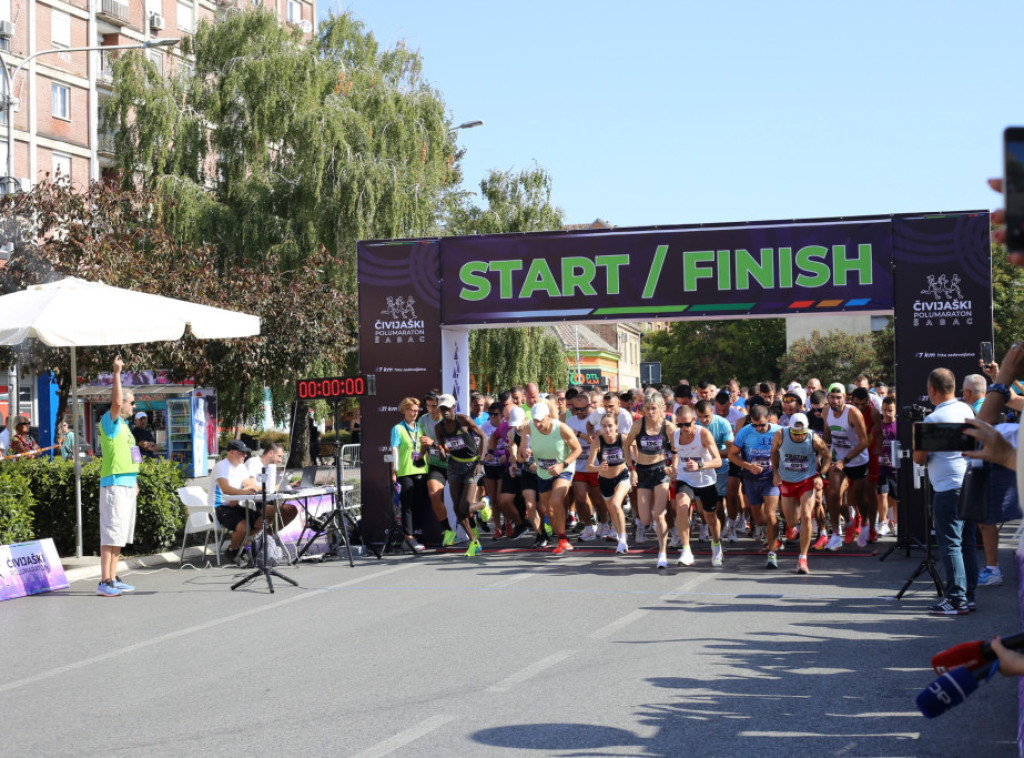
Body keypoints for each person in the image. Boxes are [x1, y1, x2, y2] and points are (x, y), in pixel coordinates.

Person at [912, 368, 977, 616]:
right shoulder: (965, 410)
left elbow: (919, 458)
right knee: (966, 543)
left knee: (950, 544)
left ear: (932, 390)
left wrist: (918, 434)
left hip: (949, 489)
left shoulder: (933, 420)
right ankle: (968, 596)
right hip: (969, 484)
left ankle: (956, 599)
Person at [96, 356, 141, 597]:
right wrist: (116, 373)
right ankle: (104, 581)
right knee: (111, 531)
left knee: (120, 533)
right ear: (122, 403)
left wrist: (134, 481)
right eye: (131, 403)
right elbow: (114, 402)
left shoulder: (125, 426)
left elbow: (132, 457)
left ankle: (113, 577)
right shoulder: (110, 421)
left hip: (126, 484)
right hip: (113, 483)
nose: (133, 407)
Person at [522, 399, 583, 557]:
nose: (538, 424)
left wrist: (562, 465)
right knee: (548, 509)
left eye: (541, 420)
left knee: (556, 501)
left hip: (564, 467)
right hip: (543, 471)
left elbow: (577, 449)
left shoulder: (561, 428)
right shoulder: (529, 426)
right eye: (535, 420)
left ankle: (562, 539)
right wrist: (525, 451)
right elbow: (522, 447)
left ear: (548, 417)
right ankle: (562, 537)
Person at [771, 412, 830, 574]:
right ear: (790, 429)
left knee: (806, 515)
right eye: (795, 434)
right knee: (791, 521)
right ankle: (792, 528)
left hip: (806, 480)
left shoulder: (814, 439)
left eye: (802, 433)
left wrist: (821, 475)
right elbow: (774, 453)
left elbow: (828, 455)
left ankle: (803, 558)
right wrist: (775, 473)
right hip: (787, 481)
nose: (799, 436)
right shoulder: (780, 434)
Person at [433, 394, 490, 557]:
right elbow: (443, 448)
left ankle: (484, 503)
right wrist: (442, 451)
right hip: (454, 466)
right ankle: (474, 542)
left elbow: (483, 436)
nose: (444, 411)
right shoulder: (439, 428)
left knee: (464, 507)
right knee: (457, 509)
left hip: (472, 464)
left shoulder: (463, 420)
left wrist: (481, 461)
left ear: (454, 407)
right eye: (441, 408)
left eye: (447, 408)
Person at [624, 391, 676, 568]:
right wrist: (632, 468)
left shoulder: (668, 427)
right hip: (643, 471)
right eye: (647, 408)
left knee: (659, 515)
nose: (651, 412)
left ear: (662, 409)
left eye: (654, 408)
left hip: (661, 470)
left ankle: (662, 553)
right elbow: (626, 444)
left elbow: (677, 448)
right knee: (645, 519)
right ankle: (658, 529)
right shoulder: (639, 424)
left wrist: (673, 466)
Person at [728, 404, 782, 568]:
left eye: (762, 425)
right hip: (751, 478)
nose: (758, 428)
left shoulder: (779, 431)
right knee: (759, 519)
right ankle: (767, 532)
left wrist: (778, 472)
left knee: (771, 515)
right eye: (755, 425)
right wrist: (748, 466)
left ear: (769, 420)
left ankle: (772, 553)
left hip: (770, 478)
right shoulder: (745, 432)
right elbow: (731, 454)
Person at [671, 404, 724, 567]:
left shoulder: (704, 434)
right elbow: (676, 453)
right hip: (685, 477)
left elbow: (718, 461)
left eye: (687, 424)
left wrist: (700, 466)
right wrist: (673, 468)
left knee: (710, 518)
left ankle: (716, 545)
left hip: (705, 479)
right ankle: (686, 550)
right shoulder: (675, 434)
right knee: (681, 507)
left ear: (694, 420)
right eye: (680, 424)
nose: (684, 428)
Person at [822, 382, 871, 551]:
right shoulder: (826, 411)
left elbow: (864, 442)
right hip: (838, 458)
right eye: (832, 397)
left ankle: (864, 522)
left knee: (859, 498)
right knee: (833, 493)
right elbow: (828, 436)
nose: (835, 401)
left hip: (857, 459)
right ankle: (836, 534)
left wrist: (846, 460)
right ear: (827, 397)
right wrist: (821, 450)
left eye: (838, 397)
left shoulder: (853, 413)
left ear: (845, 398)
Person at [209, 439, 263, 564]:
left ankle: (242, 548)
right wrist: (243, 492)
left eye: (246, 453)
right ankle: (232, 550)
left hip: (234, 504)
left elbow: (249, 484)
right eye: (242, 452)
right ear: (231, 452)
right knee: (243, 526)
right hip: (219, 507)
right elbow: (226, 488)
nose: (245, 455)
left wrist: (241, 493)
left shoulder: (241, 467)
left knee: (261, 521)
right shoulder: (221, 466)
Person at [587, 412, 632, 555]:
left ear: (617, 426)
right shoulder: (598, 441)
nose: (607, 429)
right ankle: (621, 537)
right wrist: (598, 467)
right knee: (613, 512)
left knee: (615, 504)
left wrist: (634, 467)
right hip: (605, 480)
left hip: (622, 476)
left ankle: (623, 539)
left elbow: (636, 446)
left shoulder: (623, 439)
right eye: (604, 426)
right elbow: (589, 466)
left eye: (610, 426)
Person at [390, 398, 428, 553]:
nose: (415, 413)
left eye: (417, 410)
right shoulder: (397, 429)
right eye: (412, 410)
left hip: (421, 470)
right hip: (405, 471)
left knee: (419, 504)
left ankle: (416, 535)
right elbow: (394, 451)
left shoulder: (420, 427)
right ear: (404, 410)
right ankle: (409, 538)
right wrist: (393, 472)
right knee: (407, 506)